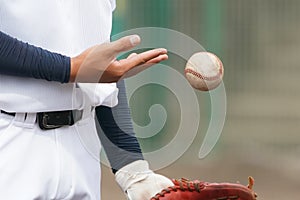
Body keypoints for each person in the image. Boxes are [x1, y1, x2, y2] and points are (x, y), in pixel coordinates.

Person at [0, 0, 173, 199]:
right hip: (12, 140)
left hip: (82, 146)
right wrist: (71, 69)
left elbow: (99, 65)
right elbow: (86, 68)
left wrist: (132, 167)